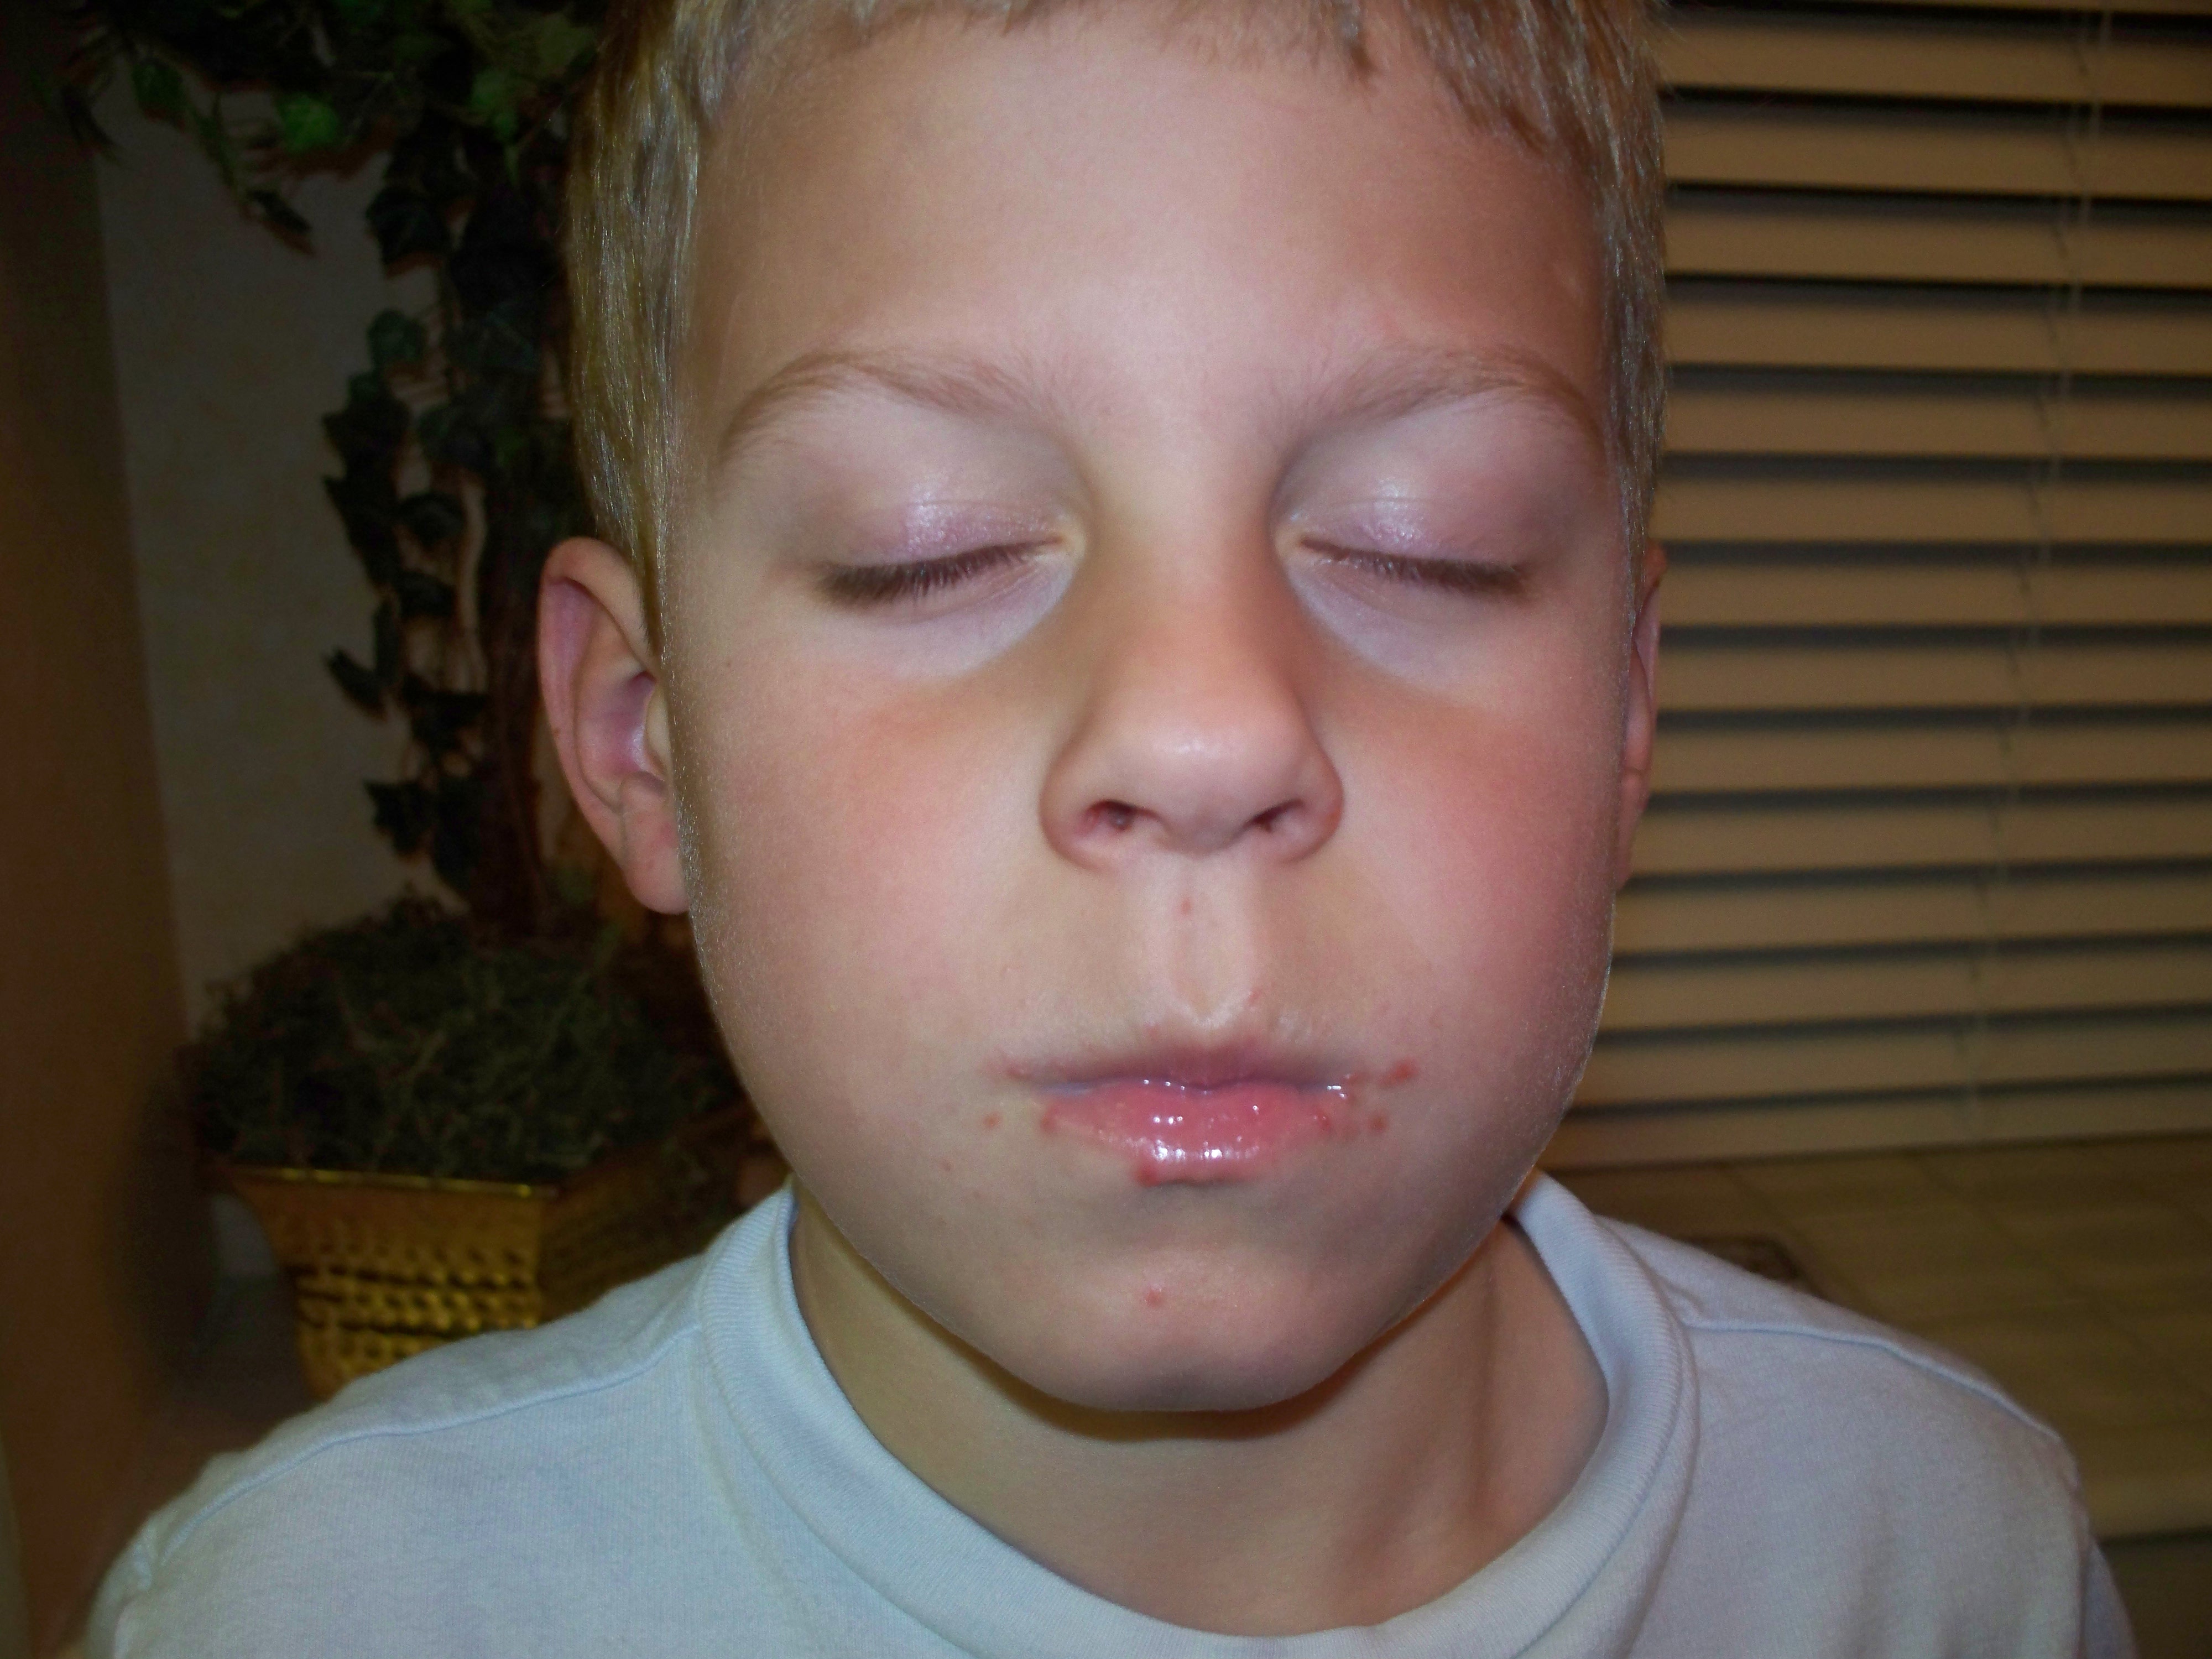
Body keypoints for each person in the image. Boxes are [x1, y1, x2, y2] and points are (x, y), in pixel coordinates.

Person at [92, 0, 2131, 1652]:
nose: (1204, 730)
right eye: (927, 545)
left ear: (1628, 714)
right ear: (642, 744)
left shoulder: (1947, 1569)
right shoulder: (315, 1615)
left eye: (1424, 542)